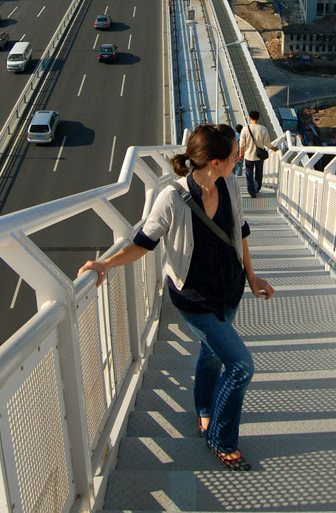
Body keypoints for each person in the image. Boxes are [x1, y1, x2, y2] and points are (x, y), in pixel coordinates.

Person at [78, 123, 274, 471]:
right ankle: (220, 438)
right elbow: (143, 244)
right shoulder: (171, 198)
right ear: (215, 162)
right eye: (233, 155)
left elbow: (240, 232)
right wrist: (105, 263)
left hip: (230, 290)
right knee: (241, 366)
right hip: (194, 298)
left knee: (212, 353)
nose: (239, 157)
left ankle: (203, 411)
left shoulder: (229, 184)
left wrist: (253, 276)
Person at [239, 110, 277, 198]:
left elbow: (241, 143)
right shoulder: (263, 129)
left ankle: (251, 191)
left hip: (248, 156)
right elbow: (267, 143)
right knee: (259, 173)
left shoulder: (245, 128)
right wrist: (275, 149)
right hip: (259, 157)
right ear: (259, 118)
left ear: (250, 118)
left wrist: (241, 153)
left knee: (249, 174)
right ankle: (257, 188)